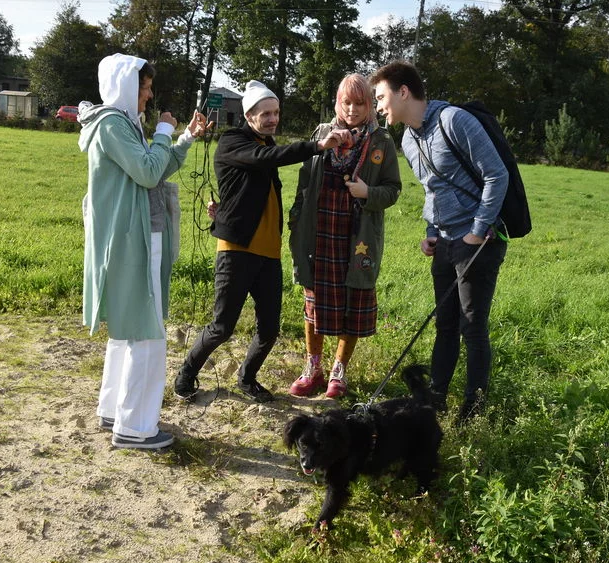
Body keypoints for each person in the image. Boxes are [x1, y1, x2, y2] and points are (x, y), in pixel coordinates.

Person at [173, 80, 350, 404]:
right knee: (222, 327)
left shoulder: (264, 144)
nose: (273, 119)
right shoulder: (233, 141)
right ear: (249, 114)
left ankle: (247, 377)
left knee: (269, 329)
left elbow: (250, 183)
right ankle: (186, 374)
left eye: (276, 112)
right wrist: (317, 146)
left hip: (269, 254)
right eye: (266, 113)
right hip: (237, 251)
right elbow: (264, 158)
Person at [78, 53, 209, 449]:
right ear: (126, 87)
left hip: (134, 235)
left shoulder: (122, 124)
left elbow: (154, 169)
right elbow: (149, 171)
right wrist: (165, 132)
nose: (149, 97)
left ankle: (114, 410)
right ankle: (135, 428)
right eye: (145, 88)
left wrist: (183, 138)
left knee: (128, 326)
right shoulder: (113, 125)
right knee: (147, 332)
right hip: (134, 238)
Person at [369, 61, 508, 424]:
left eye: (381, 97)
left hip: (477, 242)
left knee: (472, 326)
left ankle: (473, 410)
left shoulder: (455, 121)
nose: (379, 106)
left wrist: (477, 229)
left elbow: (497, 175)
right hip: (444, 242)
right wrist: (431, 231)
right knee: (445, 325)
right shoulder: (408, 139)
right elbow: (433, 190)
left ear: (403, 92)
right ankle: (435, 398)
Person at [286, 73, 401, 398]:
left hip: (357, 236)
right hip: (319, 233)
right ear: (339, 102)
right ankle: (313, 368)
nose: (352, 109)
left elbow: (393, 190)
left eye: (360, 103)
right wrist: (296, 221)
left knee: (351, 304)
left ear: (369, 105)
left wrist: (367, 192)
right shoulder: (323, 133)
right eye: (346, 102)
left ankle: (338, 372)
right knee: (315, 302)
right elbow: (305, 181)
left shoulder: (382, 143)